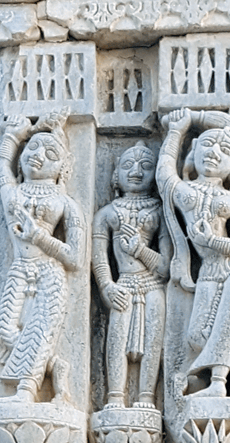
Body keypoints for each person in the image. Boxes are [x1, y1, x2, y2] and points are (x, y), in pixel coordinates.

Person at [158, 107, 230, 398]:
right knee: (197, 337)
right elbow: (165, 176)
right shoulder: (186, 192)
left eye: (224, 149)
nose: (214, 152)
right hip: (208, 270)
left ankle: (217, 383)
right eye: (206, 144)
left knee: (227, 321)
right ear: (192, 152)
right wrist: (177, 131)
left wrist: (214, 242)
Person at [0, 112, 85, 402]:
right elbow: (0, 168)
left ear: (62, 169)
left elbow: (75, 258)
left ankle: (27, 390)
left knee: (39, 331)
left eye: (50, 153)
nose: (38, 155)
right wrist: (12, 136)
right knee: (3, 330)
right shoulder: (14, 194)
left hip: (50, 271)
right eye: (31, 148)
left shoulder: (65, 203)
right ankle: (55, 366)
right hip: (20, 268)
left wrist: (40, 237)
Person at [93, 142, 170, 409]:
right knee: (116, 340)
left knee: (153, 342)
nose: (136, 171)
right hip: (122, 285)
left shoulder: (160, 212)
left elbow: (166, 267)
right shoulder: (107, 214)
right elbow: (99, 258)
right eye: (127, 165)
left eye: (145, 166)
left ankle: (147, 396)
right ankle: (115, 395)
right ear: (116, 174)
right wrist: (106, 286)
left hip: (152, 285)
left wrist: (139, 248)